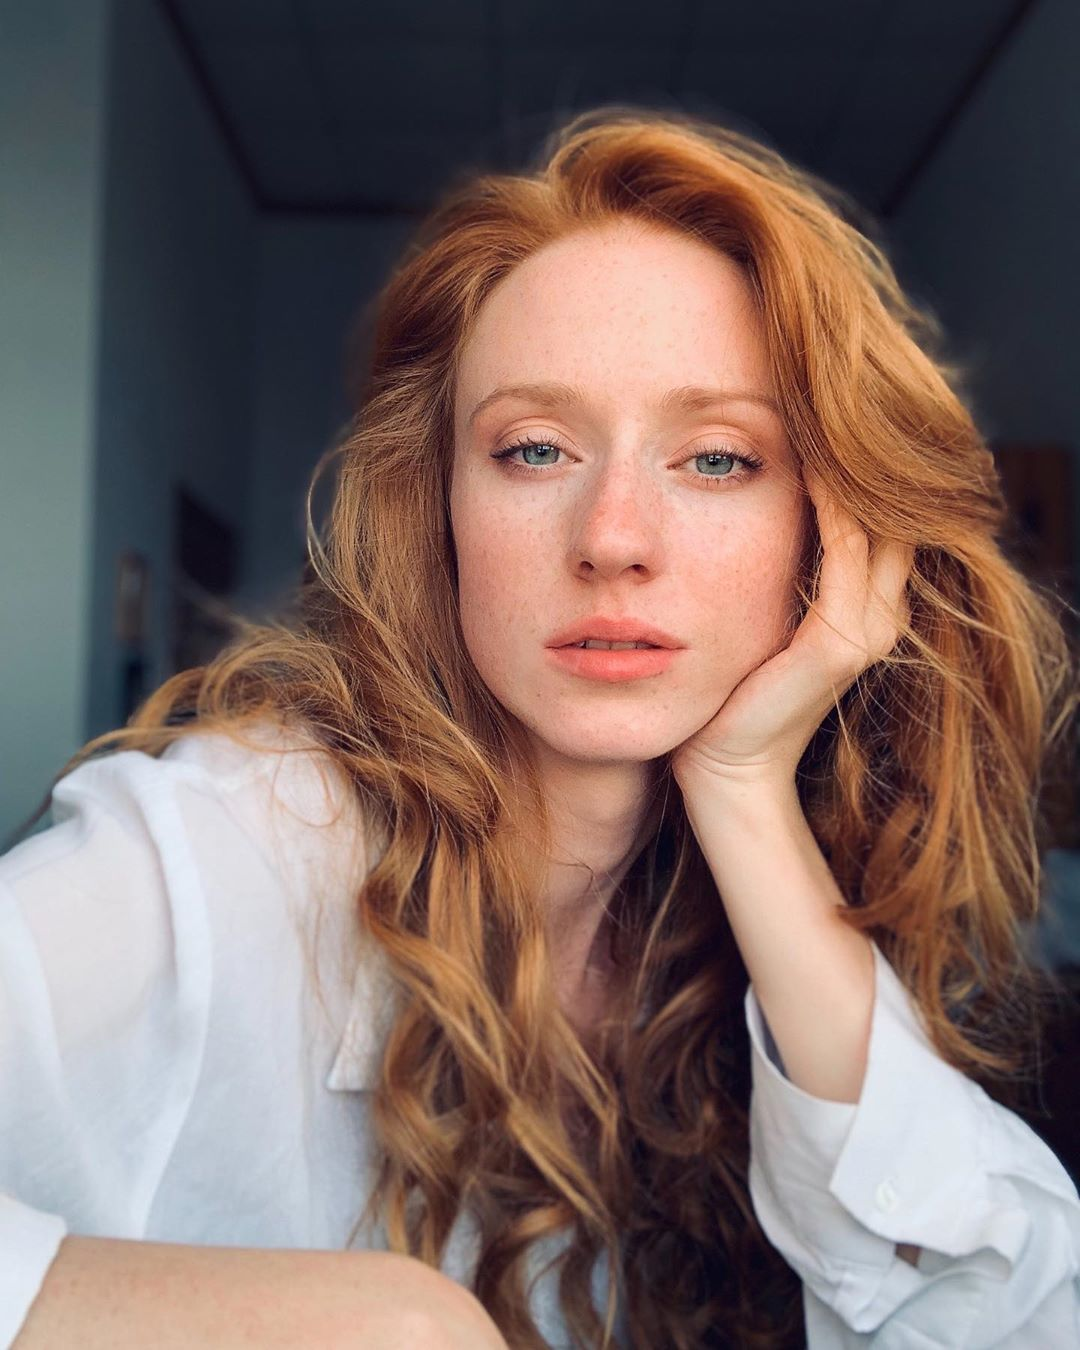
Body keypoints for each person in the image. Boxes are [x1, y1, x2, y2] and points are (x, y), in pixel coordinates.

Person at [2, 104, 1079, 1349]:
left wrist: (743, 789)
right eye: (532, 450)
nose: (612, 537)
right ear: (441, 509)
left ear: (830, 536)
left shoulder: (741, 885)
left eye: (716, 459)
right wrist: (391, 1328)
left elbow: (1013, 1315)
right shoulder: (219, 848)